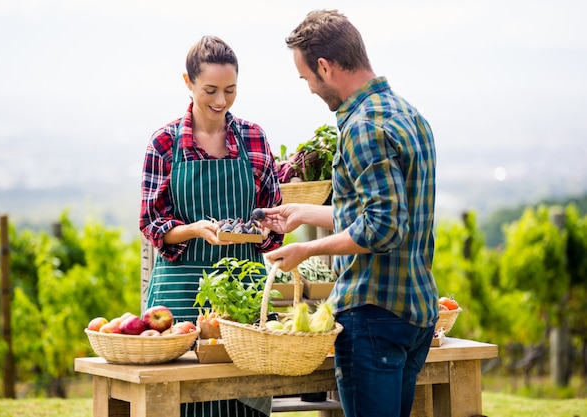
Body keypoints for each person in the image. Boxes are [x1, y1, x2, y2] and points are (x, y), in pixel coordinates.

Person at [261, 10, 439, 417]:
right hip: (416, 313)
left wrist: (306, 251)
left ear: (325, 66)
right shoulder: (410, 116)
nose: (308, 88)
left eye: (307, 77)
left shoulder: (362, 127)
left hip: (372, 316)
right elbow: (390, 213)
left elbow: (382, 229)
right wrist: (304, 213)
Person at [139, 35, 283, 417]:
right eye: (210, 90)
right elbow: (151, 222)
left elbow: (272, 212)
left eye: (230, 90)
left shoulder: (253, 137)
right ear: (187, 83)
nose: (221, 101)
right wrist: (194, 229)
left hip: (245, 297)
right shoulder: (164, 143)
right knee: (183, 401)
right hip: (181, 297)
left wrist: (268, 229)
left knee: (246, 399)